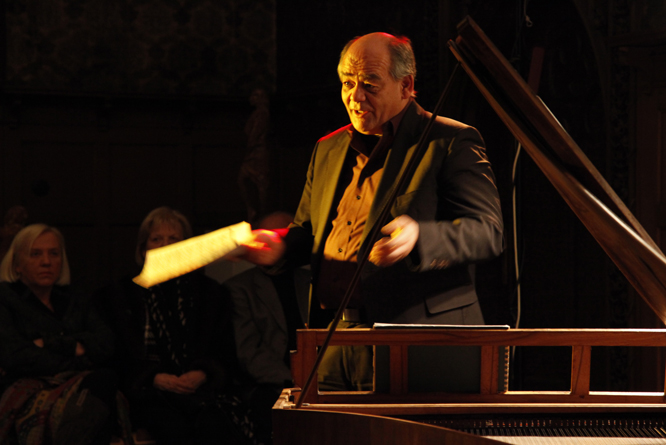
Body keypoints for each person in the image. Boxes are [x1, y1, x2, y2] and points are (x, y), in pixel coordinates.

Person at [241, 33, 504, 391]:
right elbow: (307, 230)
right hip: (333, 338)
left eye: (369, 84)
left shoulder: (450, 140)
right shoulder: (327, 149)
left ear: (406, 85)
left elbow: (488, 232)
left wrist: (420, 237)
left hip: (415, 341)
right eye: (347, 83)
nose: (355, 96)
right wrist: (281, 246)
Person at [95, 207, 252, 445]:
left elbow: (227, 351)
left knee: (217, 424)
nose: (164, 245)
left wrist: (203, 373)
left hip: (201, 390)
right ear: (143, 248)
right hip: (147, 392)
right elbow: (112, 355)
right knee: (170, 425)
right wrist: (152, 378)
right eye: (156, 239)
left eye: (173, 239)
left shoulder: (211, 293)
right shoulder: (119, 295)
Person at [0, 224, 130, 445]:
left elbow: (106, 343)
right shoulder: (5, 298)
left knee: (105, 382)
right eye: (35, 254)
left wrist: (49, 343)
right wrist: (75, 350)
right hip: (27, 384)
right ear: (17, 264)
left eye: (54, 253)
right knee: (101, 387)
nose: (46, 262)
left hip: (80, 384)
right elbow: (14, 355)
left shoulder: (74, 299)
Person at [224, 212, 310, 444]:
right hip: (270, 385)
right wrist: (293, 382)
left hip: (315, 380)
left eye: (283, 236)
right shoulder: (239, 288)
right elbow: (249, 352)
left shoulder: (310, 279)